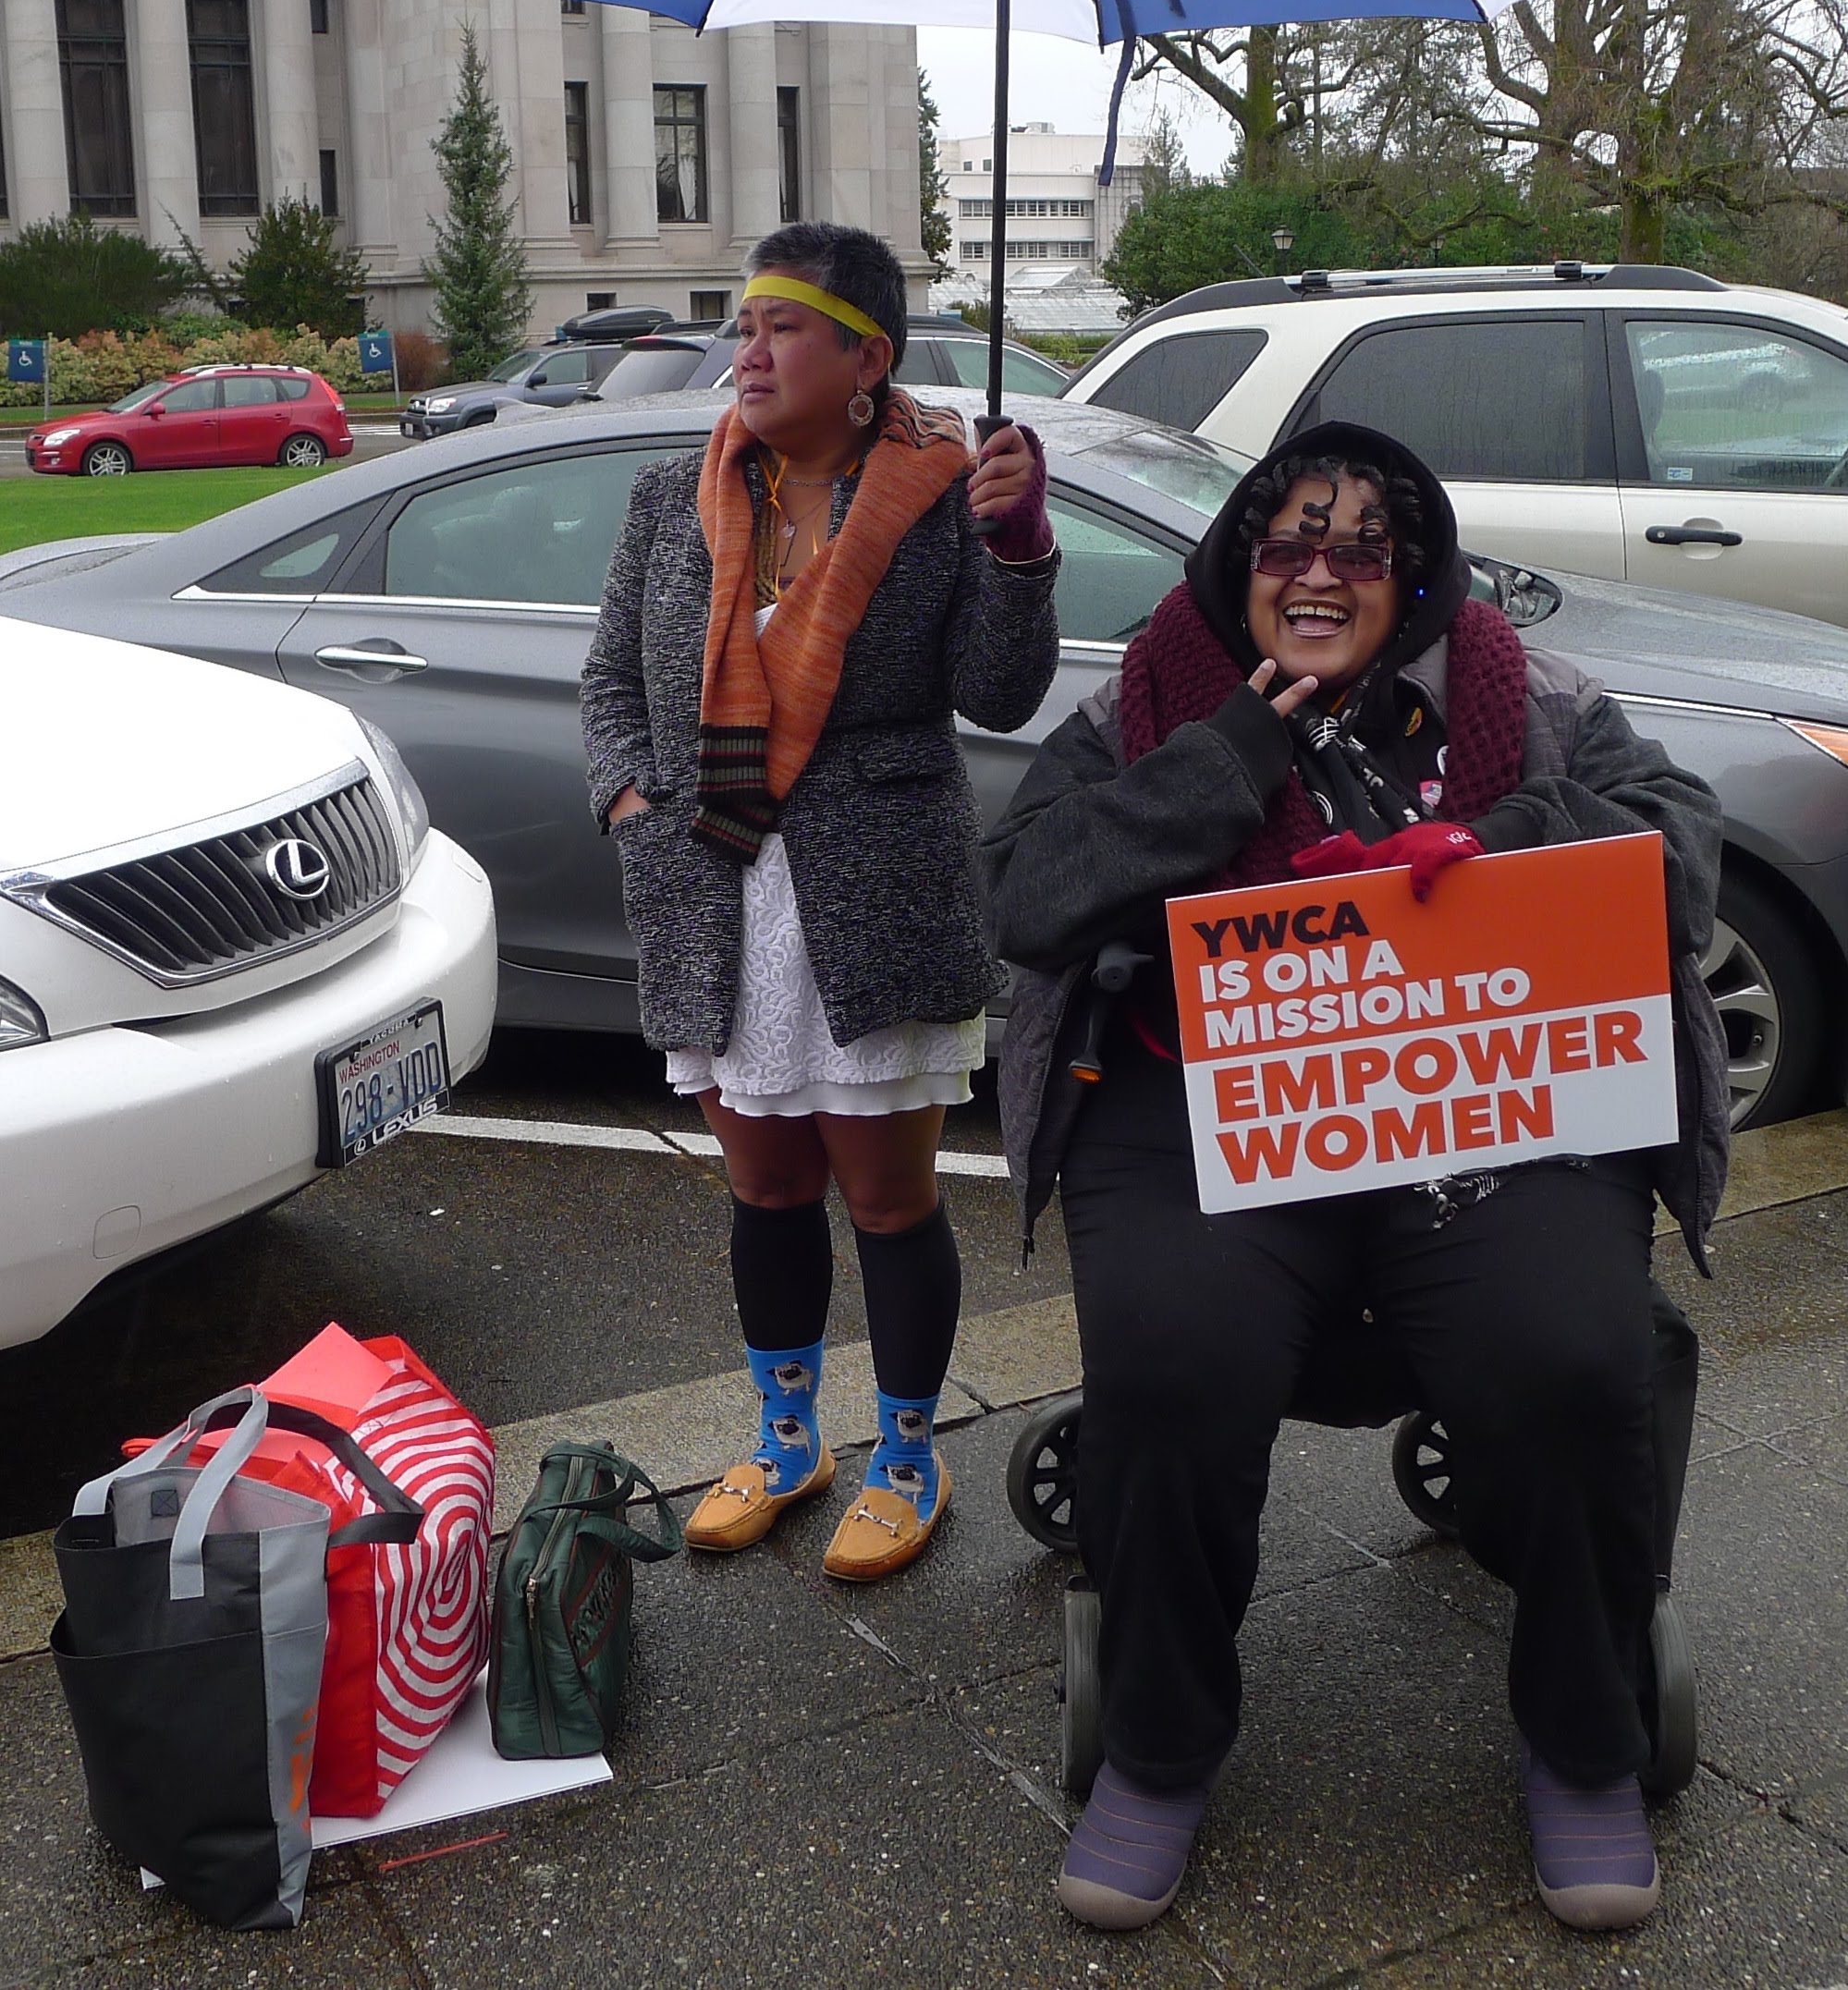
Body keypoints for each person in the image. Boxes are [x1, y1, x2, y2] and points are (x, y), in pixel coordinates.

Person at [983, 421, 1729, 1932]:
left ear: (1419, 574)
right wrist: (1233, 758)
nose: (1319, 570)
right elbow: (1030, 891)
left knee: (1575, 1355)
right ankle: (1159, 1742)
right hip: (1206, 1112)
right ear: (1241, 564)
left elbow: (1684, 855)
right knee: (1171, 1360)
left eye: (1360, 547)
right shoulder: (1150, 699)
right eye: (1288, 542)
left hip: (1486, 1121)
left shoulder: (1535, 701)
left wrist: (1517, 834)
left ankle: (1584, 1743)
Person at [581, 222, 1059, 1581]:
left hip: (877, 890)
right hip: (716, 887)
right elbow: (610, 676)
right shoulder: (674, 494)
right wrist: (630, 800)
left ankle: (908, 1453)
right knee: (766, 1186)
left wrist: (1020, 548)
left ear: (866, 358)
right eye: (743, 328)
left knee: (888, 1197)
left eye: (780, 329)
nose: (749, 353)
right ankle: (788, 1438)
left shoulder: (942, 493)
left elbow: (1000, 693)